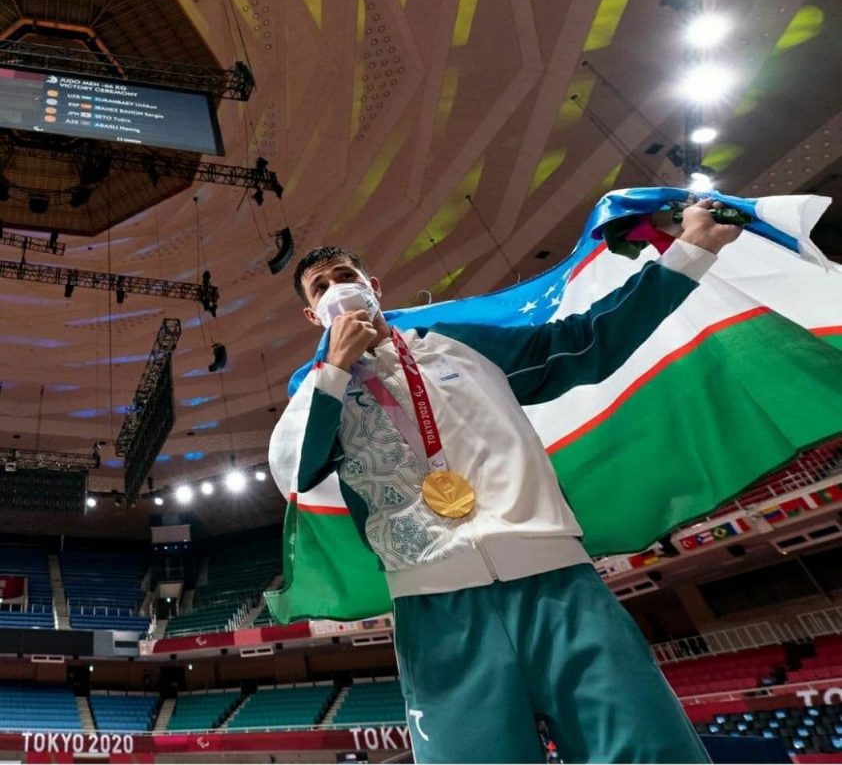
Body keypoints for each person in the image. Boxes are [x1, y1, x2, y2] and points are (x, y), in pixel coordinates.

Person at [269, 198, 743, 764]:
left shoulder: (460, 345)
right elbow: (296, 471)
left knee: (652, 754)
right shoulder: (315, 390)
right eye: (320, 287)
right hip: (436, 611)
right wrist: (335, 369)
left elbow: (586, 343)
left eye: (345, 276)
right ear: (312, 316)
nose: (336, 290)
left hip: (558, 583)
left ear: (373, 286)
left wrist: (691, 252)